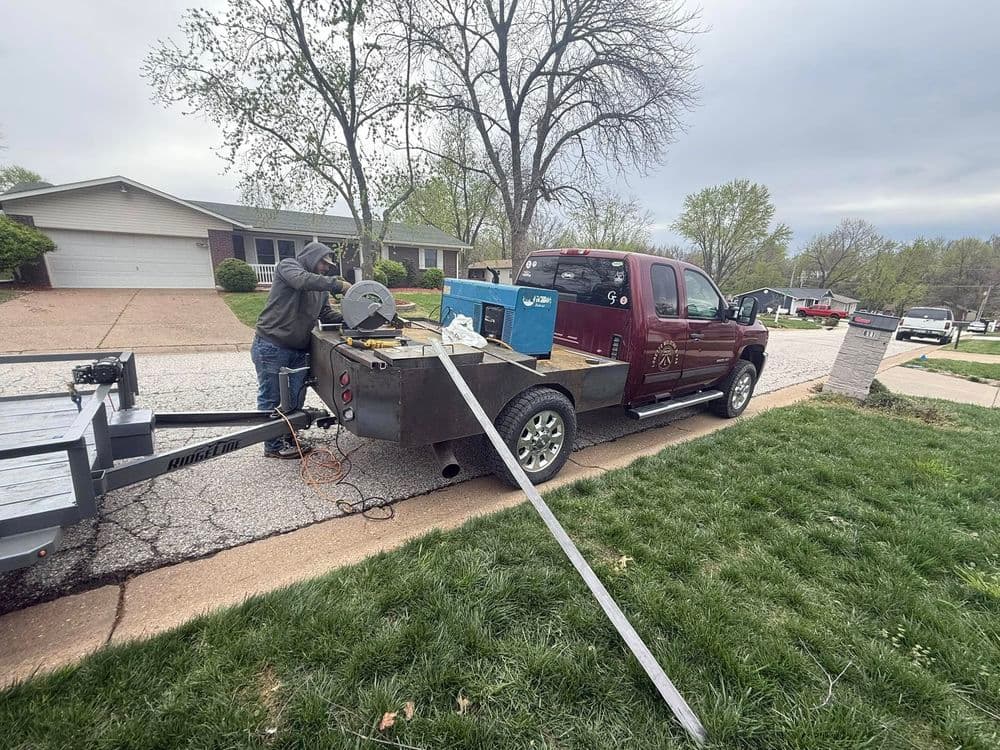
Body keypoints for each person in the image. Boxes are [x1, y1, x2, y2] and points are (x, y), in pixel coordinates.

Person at [252, 241, 351, 458]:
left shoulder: (319, 289)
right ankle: (273, 446)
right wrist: (338, 285)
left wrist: (353, 319)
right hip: (272, 344)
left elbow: (325, 315)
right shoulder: (288, 267)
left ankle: (288, 437)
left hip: (298, 349)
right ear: (312, 257)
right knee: (272, 397)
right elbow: (302, 281)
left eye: (328, 265)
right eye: (323, 263)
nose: (326, 268)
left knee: (295, 397)